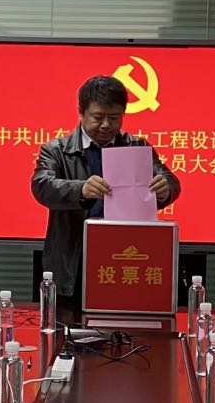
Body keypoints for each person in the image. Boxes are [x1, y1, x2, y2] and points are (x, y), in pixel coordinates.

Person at [30, 74, 180, 305]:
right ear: (81, 113)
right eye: (98, 117)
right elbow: (42, 186)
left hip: (126, 255)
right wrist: (81, 189)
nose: (106, 125)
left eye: (114, 117)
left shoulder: (137, 147)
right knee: (69, 322)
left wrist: (165, 188)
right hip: (74, 258)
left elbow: (170, 181)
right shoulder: (56, 150)